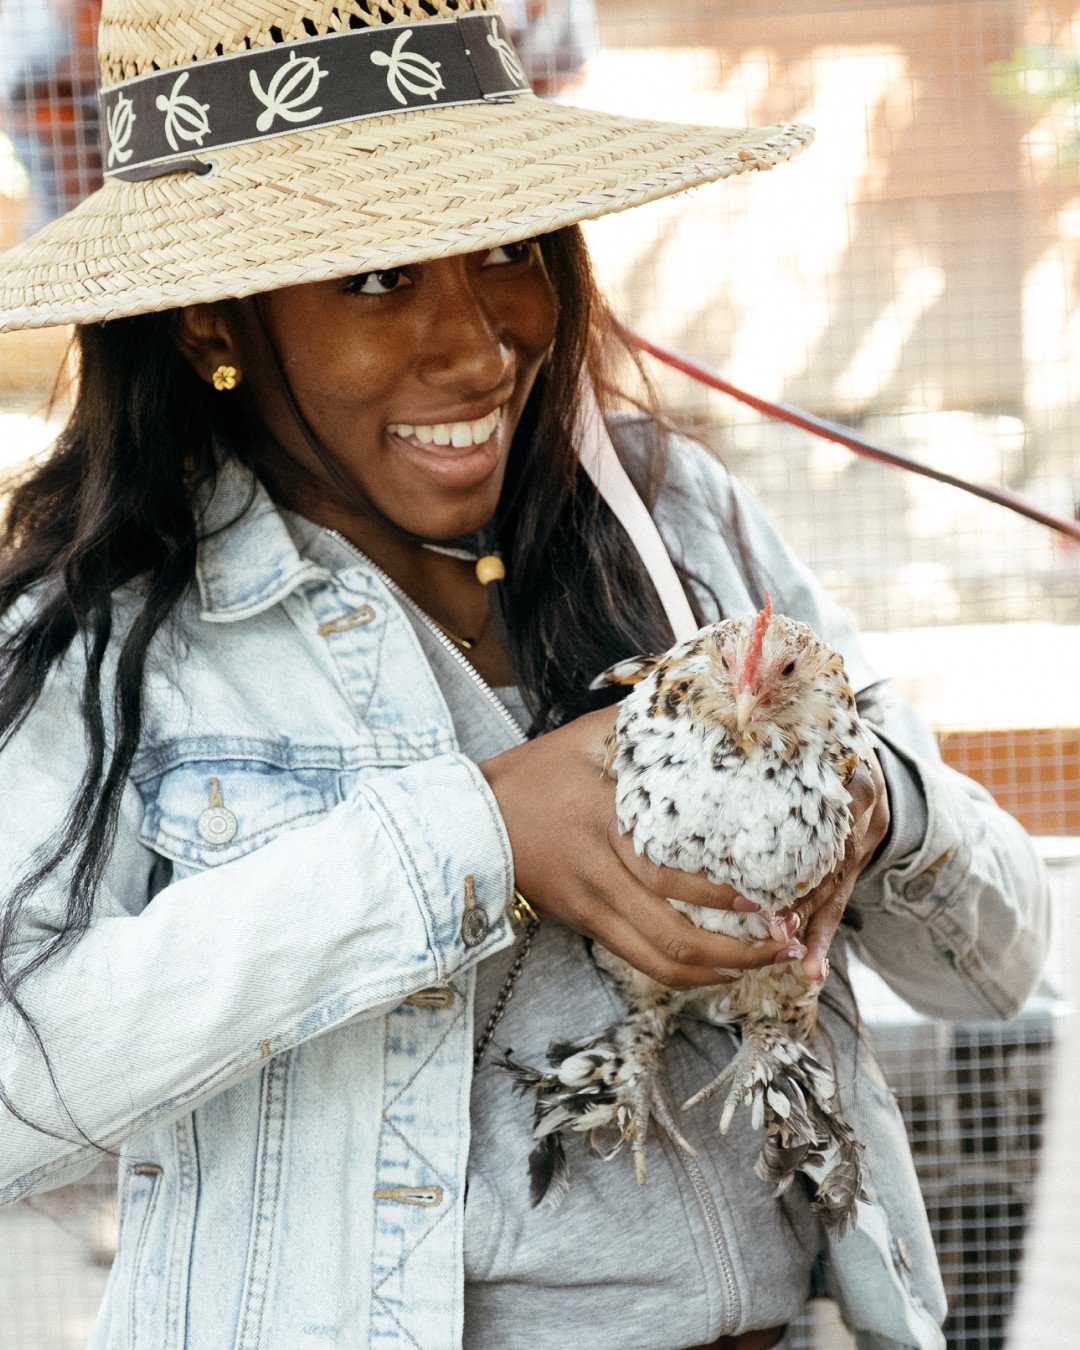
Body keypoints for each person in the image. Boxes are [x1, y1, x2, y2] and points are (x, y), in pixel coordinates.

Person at [0, 2, 1049, 1348]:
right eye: (376, 278)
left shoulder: (679, 523)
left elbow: (1004, 957)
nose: (482, 344)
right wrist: (475, 837)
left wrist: (876, 802)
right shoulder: (117, 626)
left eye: (505, 250)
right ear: (214, 313)